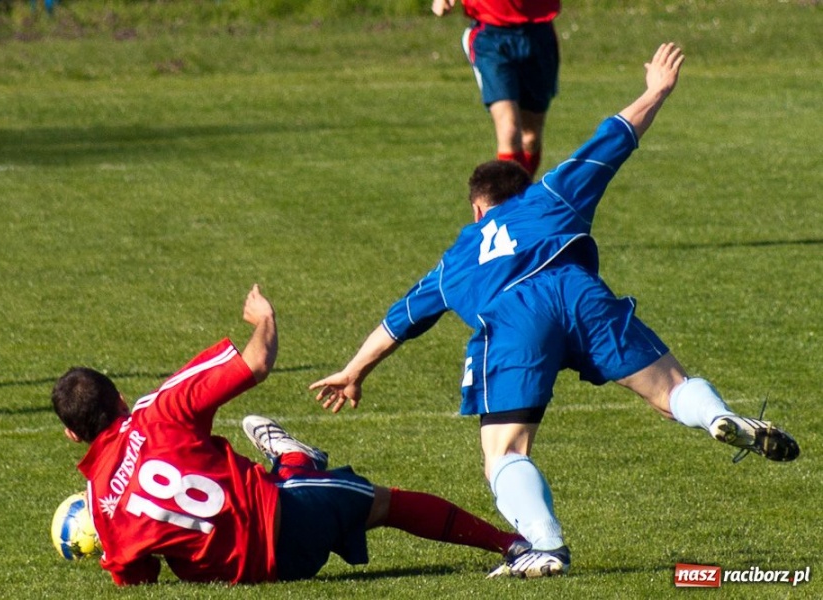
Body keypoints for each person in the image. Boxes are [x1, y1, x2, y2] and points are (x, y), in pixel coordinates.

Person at [310, 43, 799, 579]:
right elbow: (613, 139)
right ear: (520, 188)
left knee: (505, 451)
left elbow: (399, 321)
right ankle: (718, 416)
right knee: (672, 388)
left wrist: (355, 371)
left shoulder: (457, 258)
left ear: (477, 208)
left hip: (516, 317)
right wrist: (657, 90)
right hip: (578, 292)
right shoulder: (549, 196)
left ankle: (547, 546)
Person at [51, 284, 529, 586]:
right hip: (287, 519)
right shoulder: (156, 410)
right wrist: (264, 319)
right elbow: (256, 363)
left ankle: (292, 461)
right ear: (117, 399)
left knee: (332, 497)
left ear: (74, 435)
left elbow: (138, 578)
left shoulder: (101, 508)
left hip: (244, 573)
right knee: (385, 504)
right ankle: (511, 544)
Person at [431, 0, 561, 176]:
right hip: (490, 34)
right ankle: (508, 202)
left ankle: (520, 198)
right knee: (509, 129)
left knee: (531, 138)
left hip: (538, 33)